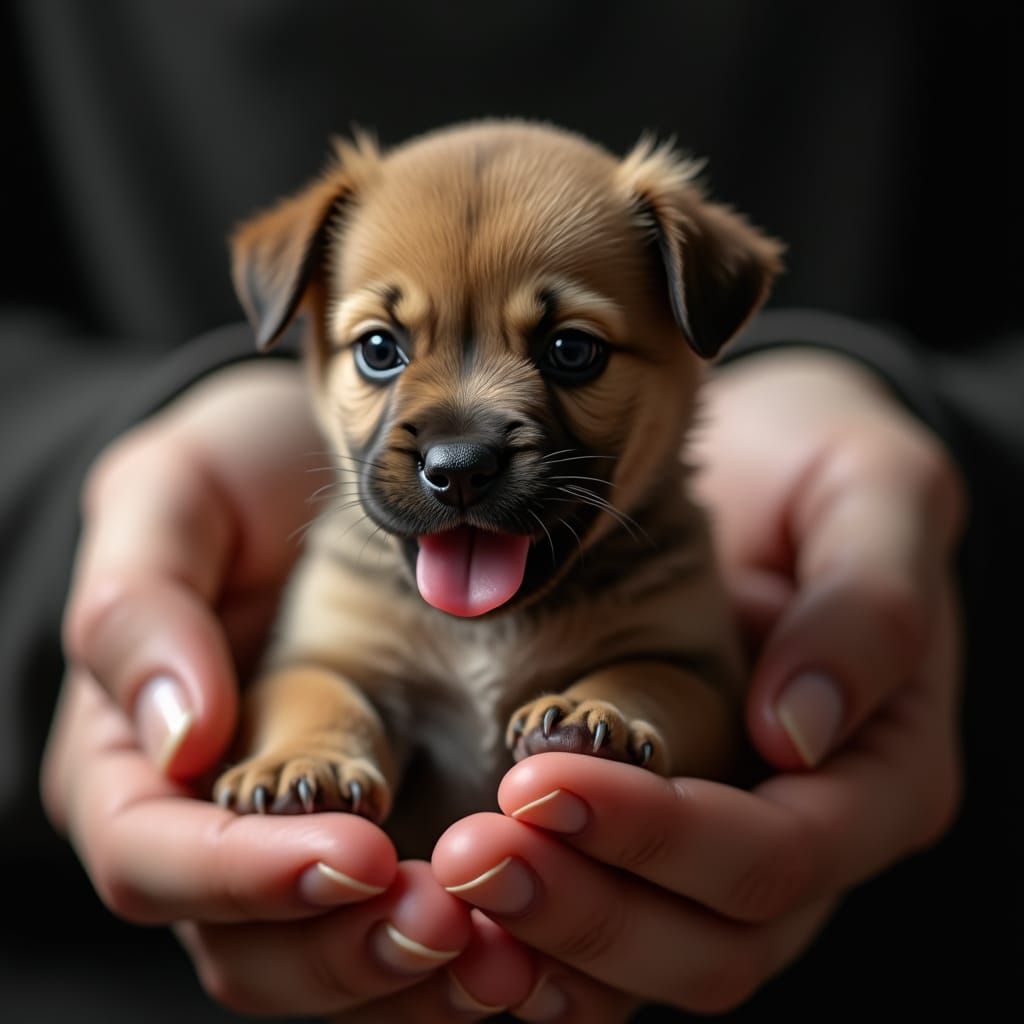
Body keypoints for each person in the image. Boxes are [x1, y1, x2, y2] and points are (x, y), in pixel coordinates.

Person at [2, 3, 1018, 1021]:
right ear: (302, 338)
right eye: (380, 350)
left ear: (691, 335)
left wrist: (635, 709)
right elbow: (318, 668)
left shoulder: (672, 562)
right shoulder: (343, 562)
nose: (457, 449)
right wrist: (318, 749)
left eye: (569, 351)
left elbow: (696, 679)